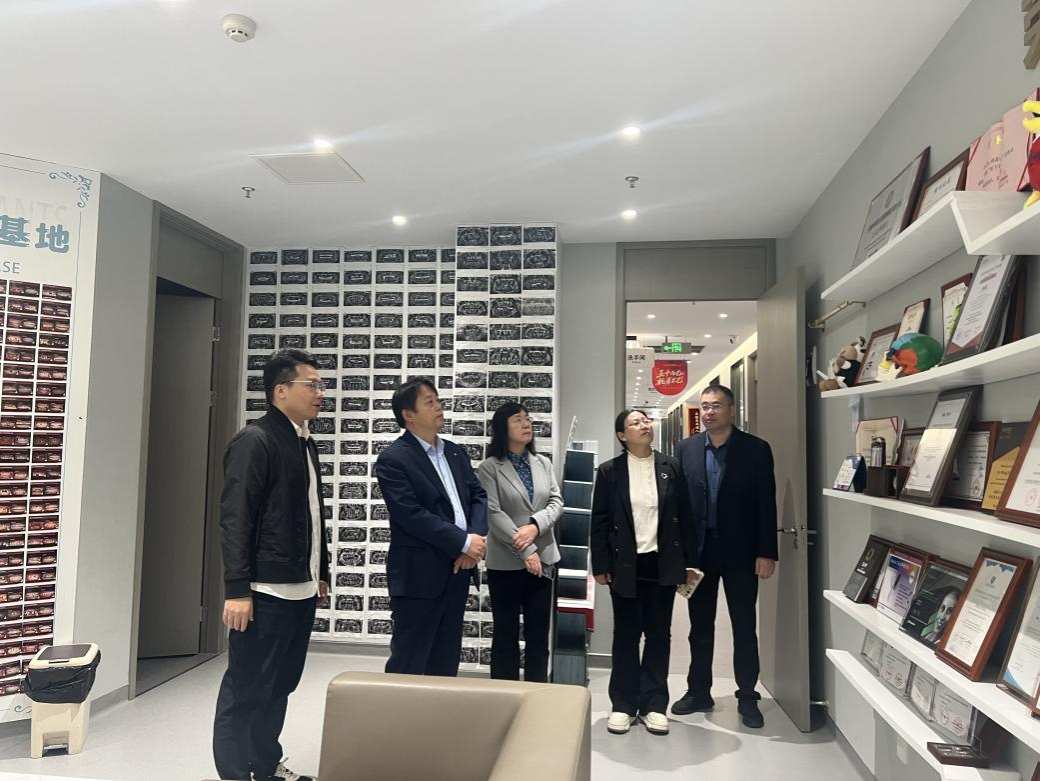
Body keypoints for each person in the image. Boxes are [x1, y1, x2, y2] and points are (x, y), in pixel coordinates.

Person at [213, 349, 330, 781]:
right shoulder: (256, 440)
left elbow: (312, 515)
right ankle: (233, 774)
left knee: (280, 686)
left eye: (320, 385)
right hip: (265, 592)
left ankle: (264, 767)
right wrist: (237, 589)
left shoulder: (304, 441)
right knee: (246, 689)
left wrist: (320, 572)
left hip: (300, 589)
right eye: (311, 385)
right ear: (281, 390)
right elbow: (236, 519)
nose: (320, 393)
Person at [672, 384, 777, 729]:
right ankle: (698, 691)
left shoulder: (756, 449)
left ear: (732, 410)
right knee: (699, 627)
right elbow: (678, 506)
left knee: (744, 626)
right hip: (699, 553)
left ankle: (747, 695)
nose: (709, 412)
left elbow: (766, 503)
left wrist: (766, 551)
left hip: (742, 552)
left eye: (716, 405)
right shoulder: (686, 448)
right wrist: (679, 553)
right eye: (704, 406)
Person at [590, 409, 700, 736]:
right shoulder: (610, 471)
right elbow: (600, 521)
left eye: (645, 420)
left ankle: (654, 704)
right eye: (635, 423)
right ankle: (623, 704)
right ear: (622, 435)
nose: (644, 426)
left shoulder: (670, 467)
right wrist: (601, 565)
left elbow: (685, 516)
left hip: (662, 561)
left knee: (658, 634)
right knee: (626, 635)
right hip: (625, 563)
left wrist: (690, 562)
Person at [375, 377, 489, 676]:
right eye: (429, 402)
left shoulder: (455, 452)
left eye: (438, 400)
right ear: (408, 414)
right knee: (409, 660)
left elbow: (478, 496)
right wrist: (463, 543)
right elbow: (410, 514)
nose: (439, 406)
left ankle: (439, 709)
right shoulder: (394, 459)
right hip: (419, 575)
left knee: (446, 659)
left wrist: (474, 539)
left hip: (458, 569)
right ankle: (398, 710)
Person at [477, 403, 563, 682]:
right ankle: (505, 694)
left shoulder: (543, 463)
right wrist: (527, 549)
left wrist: (535, 526)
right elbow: (493, 513)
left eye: (528, 419)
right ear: (502, 428)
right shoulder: (489, 468)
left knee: (538, 634)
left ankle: (537, 693)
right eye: (518, 420)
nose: (526, 424)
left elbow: (556, 502)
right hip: (505, 562)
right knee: (506, 633)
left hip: (544, 558)